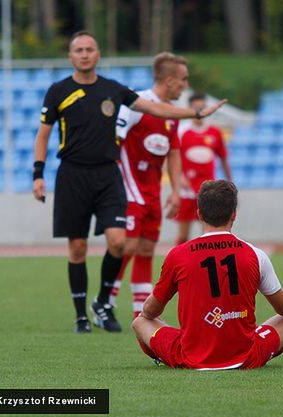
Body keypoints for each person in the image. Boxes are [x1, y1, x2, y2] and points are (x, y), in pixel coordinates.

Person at [32, 31, 227, 334]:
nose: (84, 54)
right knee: (88, 246)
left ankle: (123, 306)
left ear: (98, 54)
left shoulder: (116, 91)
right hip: (88, 178)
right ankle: (89, 310)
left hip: (124, 183)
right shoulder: (60, 91)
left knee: (132, 245)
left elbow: (167, 133)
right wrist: (38, 174)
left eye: (90, 49)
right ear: (71, 56)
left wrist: (197, 113)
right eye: (78, 50)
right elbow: (48, 134)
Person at [132, 180, 283, 369]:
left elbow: (151, 310)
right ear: (234, 214)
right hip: (246, 358)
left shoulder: (178, 255)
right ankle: (250, 356)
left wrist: (151, 317)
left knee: (140, 322)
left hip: (190, 358)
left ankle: (165, 357)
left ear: (199, 214)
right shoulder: (255, 254)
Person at [108, 52, 188, 318]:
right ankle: (105, 302)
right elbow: (113, 140)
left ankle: (138, 312)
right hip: (129, 188)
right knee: (127, 246)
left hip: (152, 191)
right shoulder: (136, 104)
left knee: (146, 249)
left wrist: (175, 191)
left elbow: (174, 152)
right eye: (183, 80)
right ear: (169, 81)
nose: (185, 85)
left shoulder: (171, 115)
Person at [174, 92, 232, 245]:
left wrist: (230, 183)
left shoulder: (215, 132)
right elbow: (172, 157)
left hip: (208, 189)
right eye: (196, 108)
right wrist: (179, 178)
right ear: (190, 109)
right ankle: (178, 264)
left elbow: (224, 158)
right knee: (183, 235)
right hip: (186, 190)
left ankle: (202, 266)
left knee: (208, 232)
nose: (200, 111)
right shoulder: (181, 132)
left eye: (202, 107)